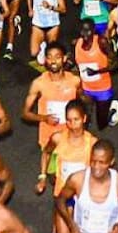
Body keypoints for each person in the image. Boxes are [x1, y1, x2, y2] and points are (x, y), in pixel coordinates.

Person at [40, 98, 98, 233]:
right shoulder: (58, 138)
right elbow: (46, 153)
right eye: (69, 120)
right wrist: (43, 176)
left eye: (76, 120)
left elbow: (103, 169)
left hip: (83, 196)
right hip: (62, 195)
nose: (73, 125)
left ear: (84, 119)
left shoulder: (92, 143)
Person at [22, 41, 83, 187]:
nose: (53, 61)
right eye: (49, 57)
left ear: (64, 59)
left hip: (72, 138)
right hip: (49, 139)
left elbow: (82, 103)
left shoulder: (74, 81)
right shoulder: (38, 84)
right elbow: (25, 113)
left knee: (73, 180)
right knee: (55, 179)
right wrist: (44, 118)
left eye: (57, 57)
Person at [74, 18, 118, 130]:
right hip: (86, 89)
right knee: (85, 121)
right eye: (82, 31)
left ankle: (113, 108)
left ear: (94, 30)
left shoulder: (101, 42)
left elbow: (116, 63)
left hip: (103, 89)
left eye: (88, 31)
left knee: (101, 124)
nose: (85, 34)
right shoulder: (76, 44)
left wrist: (98, 71)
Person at [27, 0, 65, 64]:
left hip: (52, 24)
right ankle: (42, 45)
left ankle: (45, 46)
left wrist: (50, 7)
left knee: (51, 52)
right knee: (33, 52)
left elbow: (63, 9)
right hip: (38, 23)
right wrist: (30, 9)